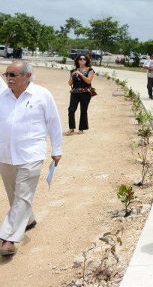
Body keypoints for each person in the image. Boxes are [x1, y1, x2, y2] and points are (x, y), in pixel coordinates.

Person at [0, 61, 62, 256]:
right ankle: (28, 220)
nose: (8, 78)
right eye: (6, 74)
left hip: (31, 154)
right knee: (14, 194)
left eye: (13, 75)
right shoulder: (2, 97)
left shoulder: (42, 95)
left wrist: (57, 149)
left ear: (27, 76)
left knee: (23, 195)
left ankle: (8, 238)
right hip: (6, 154)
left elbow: (54, 121)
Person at [66, 53, 95, 135]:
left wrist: (81, 74)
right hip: (75, 92)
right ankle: (71, 128)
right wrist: (72, 76)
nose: (82, 60)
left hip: (86, 93)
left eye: (84, 59)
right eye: (80, 59)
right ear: (77, 61)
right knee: (71, 110)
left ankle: (81, 128)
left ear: (86, 60)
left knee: (83, 110)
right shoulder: (73, 71)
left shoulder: (90, 70)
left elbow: (89, 81)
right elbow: (69, 83)